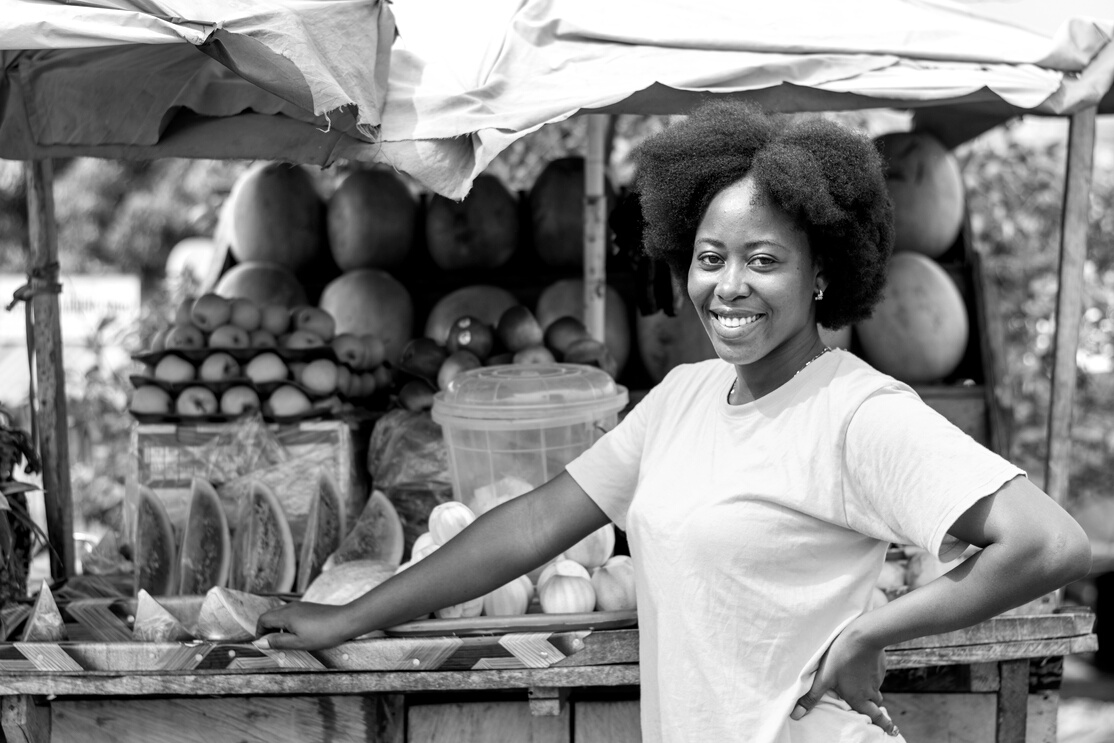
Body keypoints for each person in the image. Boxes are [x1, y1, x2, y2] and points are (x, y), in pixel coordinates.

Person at [257, 102, 1092, 743]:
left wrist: (876, 628)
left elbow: (1048, 543)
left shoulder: (856, 411)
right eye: (710, 256)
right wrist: (346, 617)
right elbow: (535, 523)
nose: (729, 286)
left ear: (823, 276)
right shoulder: (686, 396)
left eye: (764, 260)